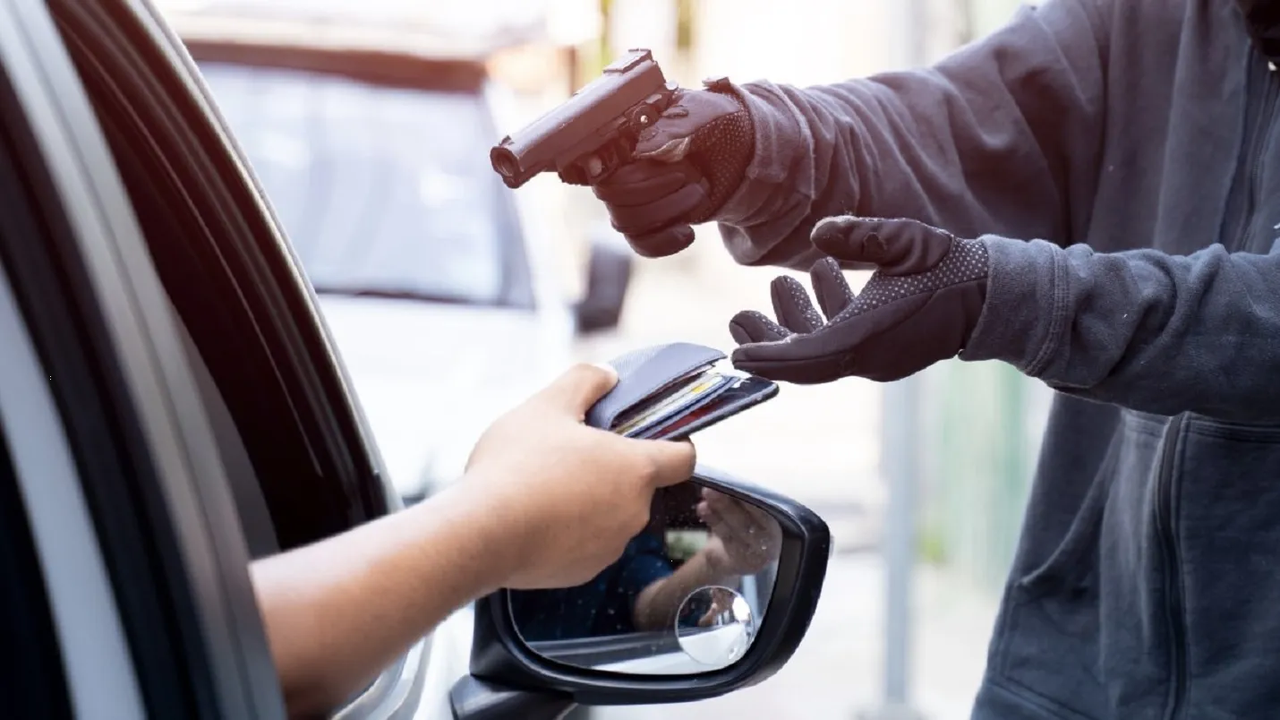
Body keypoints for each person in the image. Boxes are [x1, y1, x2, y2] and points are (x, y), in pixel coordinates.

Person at [575, 1, 1280, 717]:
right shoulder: (1156, 16)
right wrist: (750, 147)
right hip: (1074, 676)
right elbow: (955, 125)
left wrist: (1004, 299)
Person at [249, 363, 696, 717]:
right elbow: (248, 662)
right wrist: (506, 517)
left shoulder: (660, 539)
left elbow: (651, 593)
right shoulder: (639, 525)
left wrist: (714, 563)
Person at [510, 486, 781, 642]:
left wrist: (718, 562)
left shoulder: (632, 550)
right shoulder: (517, 538)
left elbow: (651, 606)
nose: (650, 512)